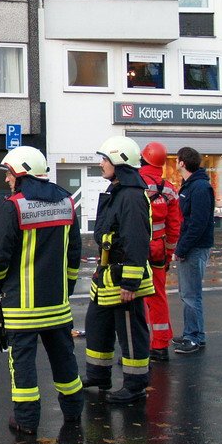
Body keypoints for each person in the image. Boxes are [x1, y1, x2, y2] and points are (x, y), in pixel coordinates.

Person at [0, 146, 83, 436]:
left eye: (9, 174)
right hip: (57, 304)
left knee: (24, 367)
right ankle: (74, 412)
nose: (6, 181)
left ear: (20, 173)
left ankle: (26, 422)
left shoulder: (14, 207)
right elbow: (74, 254)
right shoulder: (67, 203)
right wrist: (65, 288)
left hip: (22, 309)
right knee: (65, 360)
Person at [82, 136, 155, 404]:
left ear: (119, 162)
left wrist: (130, 283)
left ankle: (135, 385)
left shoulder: (132, 197)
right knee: (97, 324)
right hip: (107, 276)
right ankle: (98, 375)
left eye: (105, 159)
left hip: (124, 279)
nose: (101, 164)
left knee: (130, 333)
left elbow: (136, 241)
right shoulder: (118, 191)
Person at [139, 142, 181, 362]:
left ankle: (139, 347)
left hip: (136, 249)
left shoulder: (135, 183)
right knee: (158, 295)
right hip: (158, 249)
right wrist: (168, 254)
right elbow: (175, 226)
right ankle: (161, 344)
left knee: (134, 297)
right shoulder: (169, 189)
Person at [172, 147, 215, 355]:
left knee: (191, 294)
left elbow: (197, 223)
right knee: (188, 293)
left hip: (194, 248)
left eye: (177, 160)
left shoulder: (198, 187)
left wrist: (181, 248)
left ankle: (194, 337)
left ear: (182, 162)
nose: (175, 163)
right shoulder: (192, 185)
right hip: (192, 246)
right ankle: (193, 332)